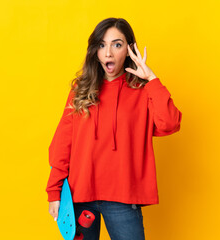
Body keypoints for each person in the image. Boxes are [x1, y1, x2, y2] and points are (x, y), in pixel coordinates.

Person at [46, 17, 182, 240]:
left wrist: (151, 79)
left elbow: (170, 123)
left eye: (117, 45)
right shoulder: (80, 90)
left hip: (123, 197)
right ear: (95, 51)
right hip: (80, 197)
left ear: (129, 50)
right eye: (102, 45)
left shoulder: (142, 91)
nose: (108, 53)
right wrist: (54, 190)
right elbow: (62, 143)